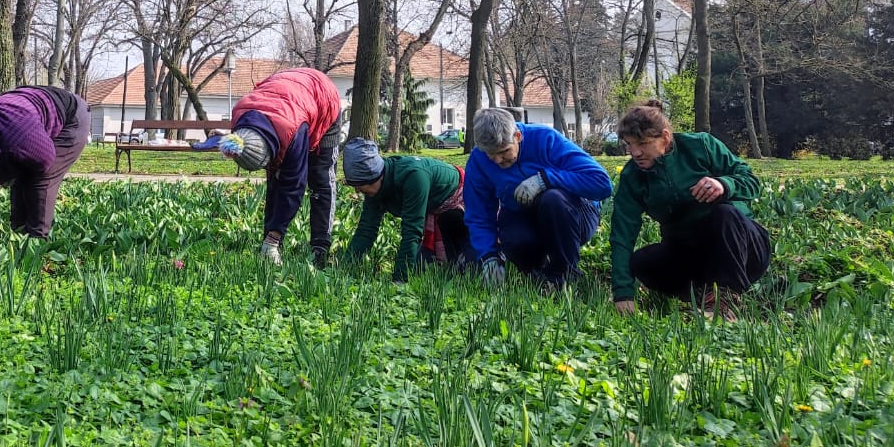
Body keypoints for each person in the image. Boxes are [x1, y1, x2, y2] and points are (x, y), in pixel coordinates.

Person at [610, 100, 769, 320]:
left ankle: (725, 302)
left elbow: (752, 182)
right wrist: (623, 293)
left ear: (665, 137)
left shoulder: (701, 146)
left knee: (724, 214)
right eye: (629, 144)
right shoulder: (632, 177)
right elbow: (622, 234)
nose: (635, 152)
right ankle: (702, 295)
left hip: (741, 247)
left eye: (643, 143)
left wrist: (724, 185)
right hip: (690, 253)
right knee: (642, 261)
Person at [464, 107, 613, 290]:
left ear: (518, 136)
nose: (497, 160)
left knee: (553, 199)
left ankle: (564, 275)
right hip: (523, 214)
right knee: (513, 236)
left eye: (504, 151)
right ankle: (538, 274)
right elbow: (478, 213)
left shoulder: (545, 138)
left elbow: (602, 183)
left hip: (573, 214)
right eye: (491, 155)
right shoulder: (478, 160)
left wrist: (546, 179)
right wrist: (488, 256)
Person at [210, 67, 343, 266]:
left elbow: (293, 187)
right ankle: (271, 245)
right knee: (275, 177)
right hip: (287, 99)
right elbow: (275, 176)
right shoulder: (240, 118)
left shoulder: (292, 133)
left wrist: (273, 238)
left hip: (322, 97)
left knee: (320, 179)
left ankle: (319, 248)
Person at [338, 138, 470, 280]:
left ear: (375, 176)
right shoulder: (374, 189)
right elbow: (366, 230)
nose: (357, 190)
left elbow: (412, 231)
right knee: (421, 269)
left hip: (459, 208)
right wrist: (343, 271)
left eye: (359, 184)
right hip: (435, 211)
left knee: (467, 269)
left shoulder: (413, 176)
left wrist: (399, 281)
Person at [0, 85, 89, 238]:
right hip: (30, 110)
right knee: (20, 178)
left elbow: (45, 160)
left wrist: (8, 174)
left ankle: (37, 241)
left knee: (41, 179)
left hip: (72, 117)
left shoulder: (18, 137)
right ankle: (19, 234)